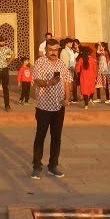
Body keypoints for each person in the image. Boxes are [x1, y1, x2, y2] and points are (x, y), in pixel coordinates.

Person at [30, 38, 73, 179]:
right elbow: (36, 80)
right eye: (50, 50)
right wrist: (49, 82)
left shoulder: (61, 64)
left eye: (55, 50)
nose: (53, 53)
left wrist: (67, 98)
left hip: (58, 107)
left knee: (56, 138)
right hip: (43, 106)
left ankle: (53, 166)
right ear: (46, 50)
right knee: (40, 136)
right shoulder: (40, 62)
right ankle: (37, 166)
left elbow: (67, 82)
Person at [59, 39, 78, 103]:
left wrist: (77, 53)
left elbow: (72, 59)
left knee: (71, 84)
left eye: (71, 43)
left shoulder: (71, 50)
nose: (71, 44)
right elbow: (64, 61)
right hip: (67, 69)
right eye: (70, 43)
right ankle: (67, 98)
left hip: (72, 69)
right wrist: (68, 68)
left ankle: (70, 97)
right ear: (66, 44)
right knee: (67, 84)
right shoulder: (64, 51)